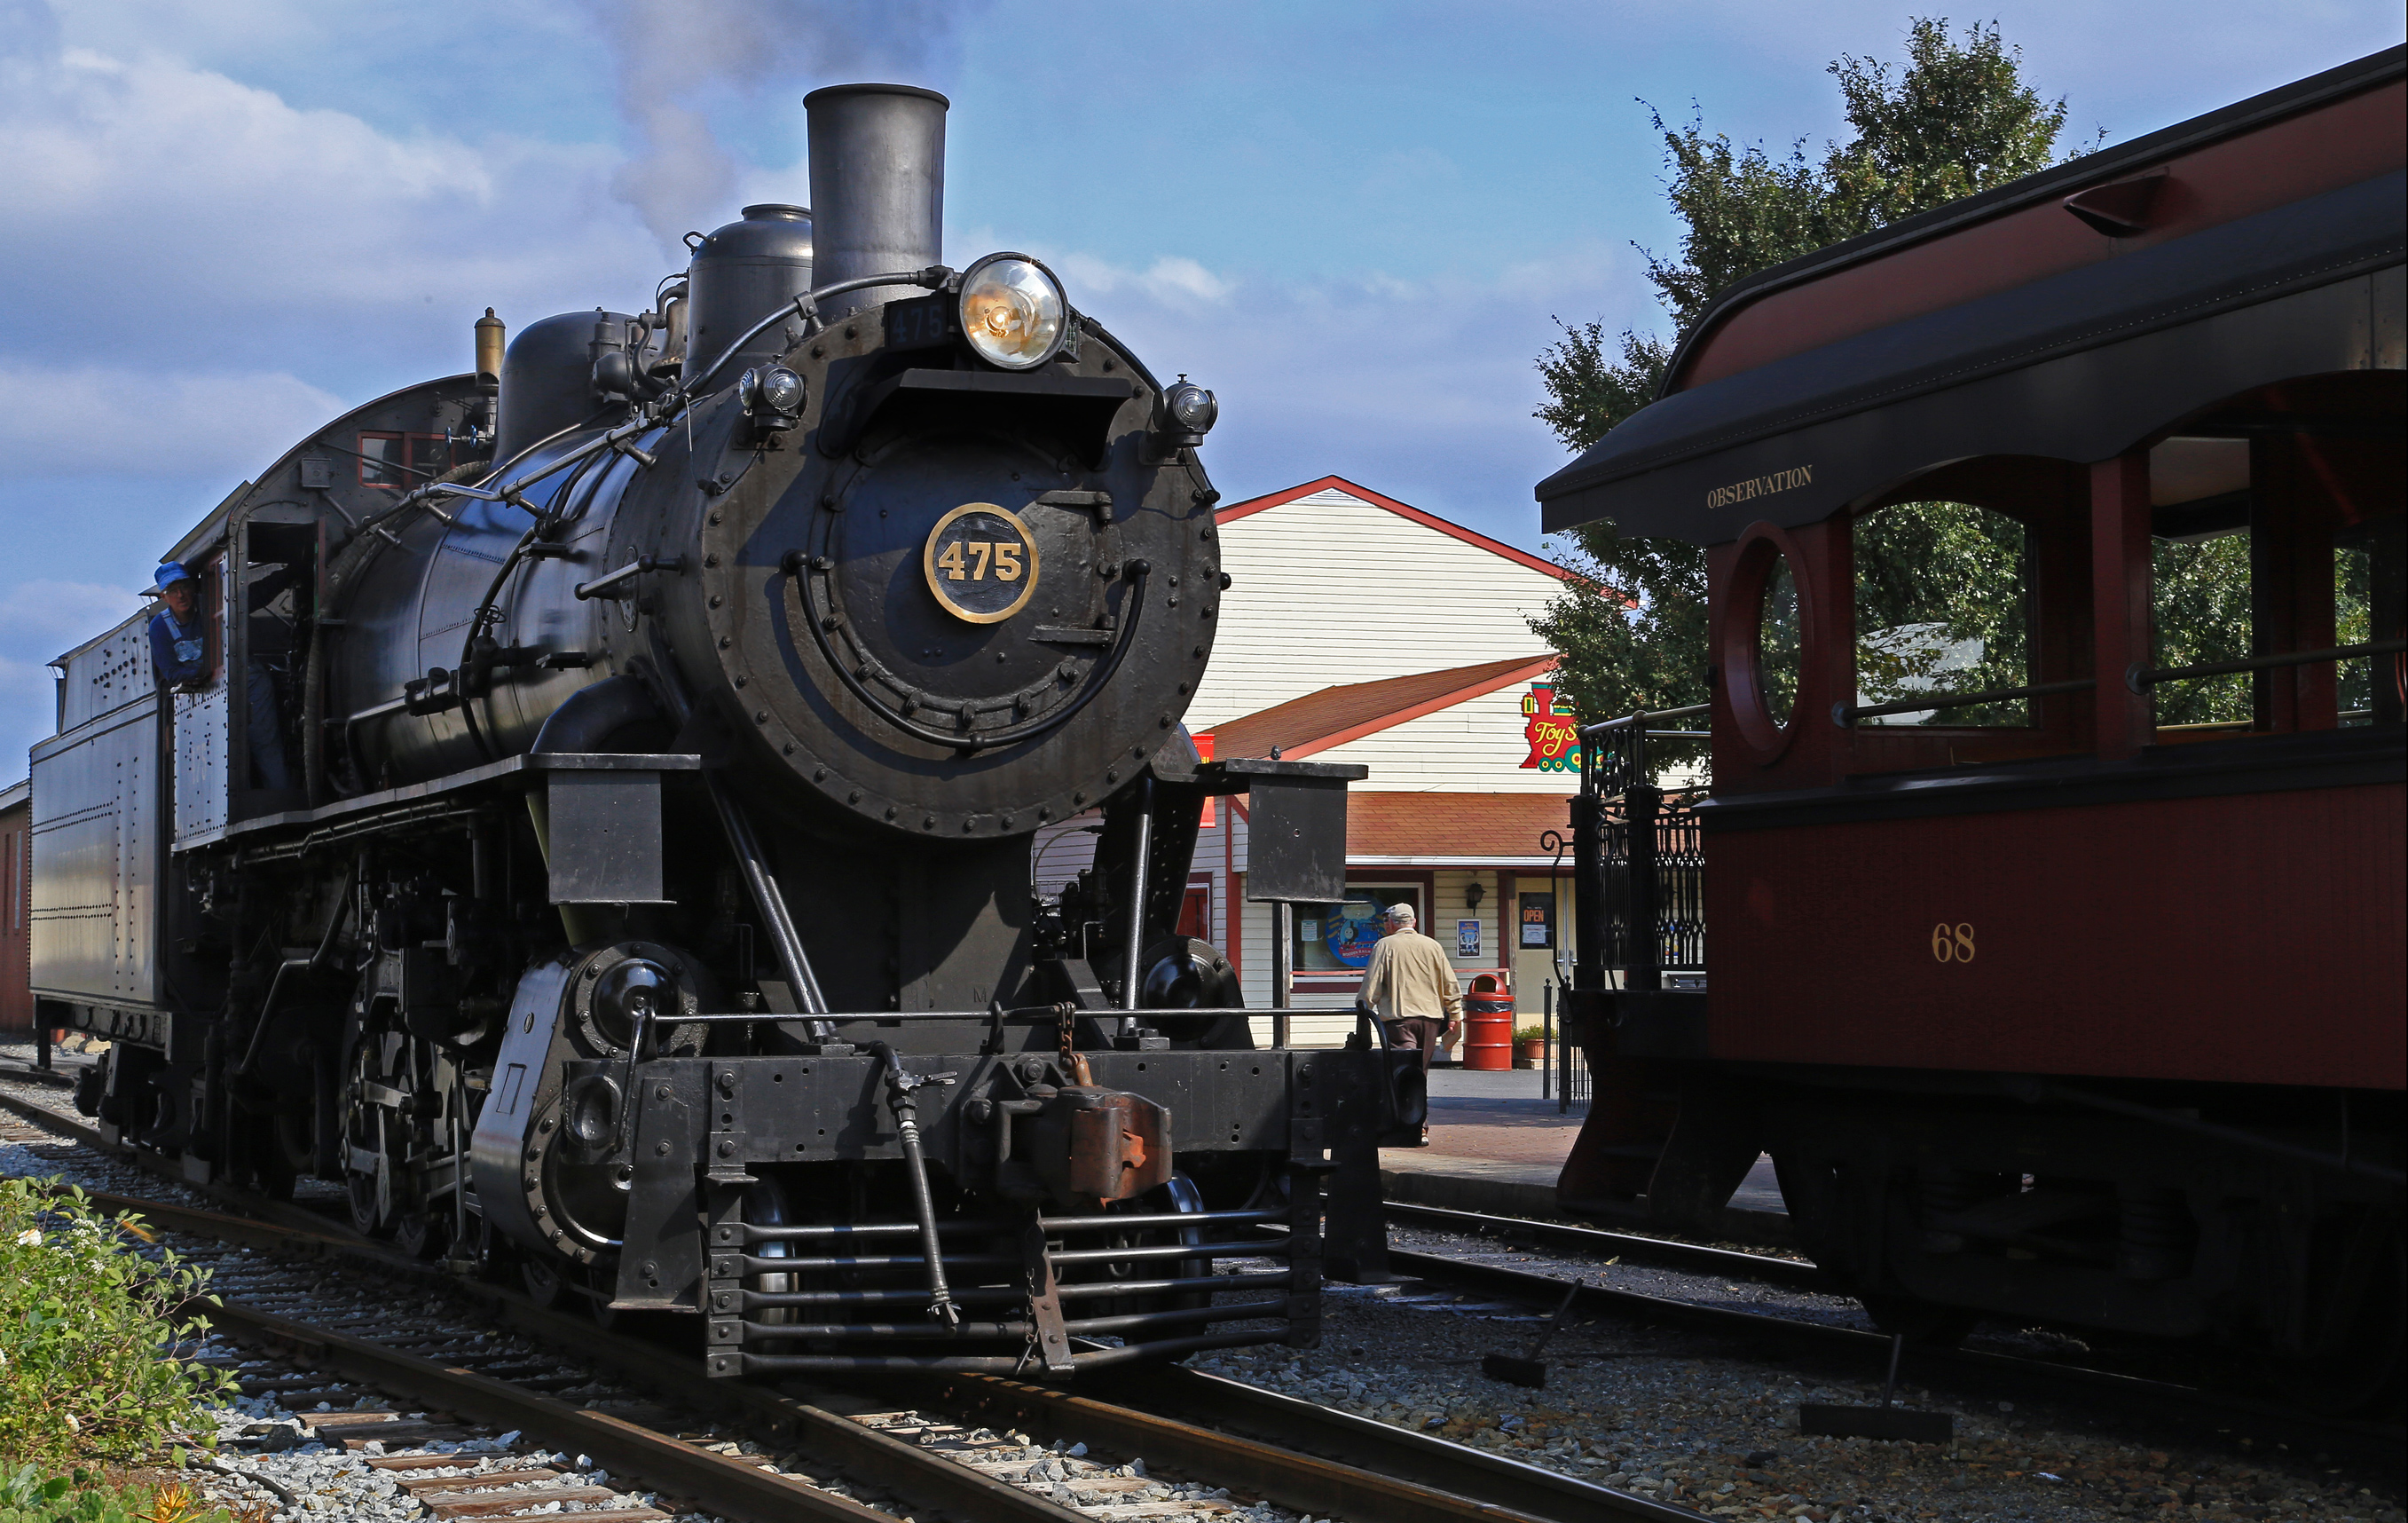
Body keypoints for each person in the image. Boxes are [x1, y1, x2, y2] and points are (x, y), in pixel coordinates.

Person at [145, 559, 296, 791]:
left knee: (265, 742)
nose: (181, 595)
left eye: (184, 587)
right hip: (205, 694)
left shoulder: (217, 604)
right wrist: (213, 665)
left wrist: (290, 573)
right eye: (172, 591)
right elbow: (173, 675)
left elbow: (254, 595)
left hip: (248, 681)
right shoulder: (159, 628)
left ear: (192, 587)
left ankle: (280, 794)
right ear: (164, 597)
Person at [1357, 902, 1461, 1072]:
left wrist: (1362, 1009)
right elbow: (1449, 982)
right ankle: (1418, 1098)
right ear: (1414, 922)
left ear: (1390, 923)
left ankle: (1402, 1098)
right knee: (1421, 1070)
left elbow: (1371, 985)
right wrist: (1455, 1013)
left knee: (1402, 1069)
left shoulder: (1385, 946)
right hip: (1430, 1019)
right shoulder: (1433, 946)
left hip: (1400, 1019)